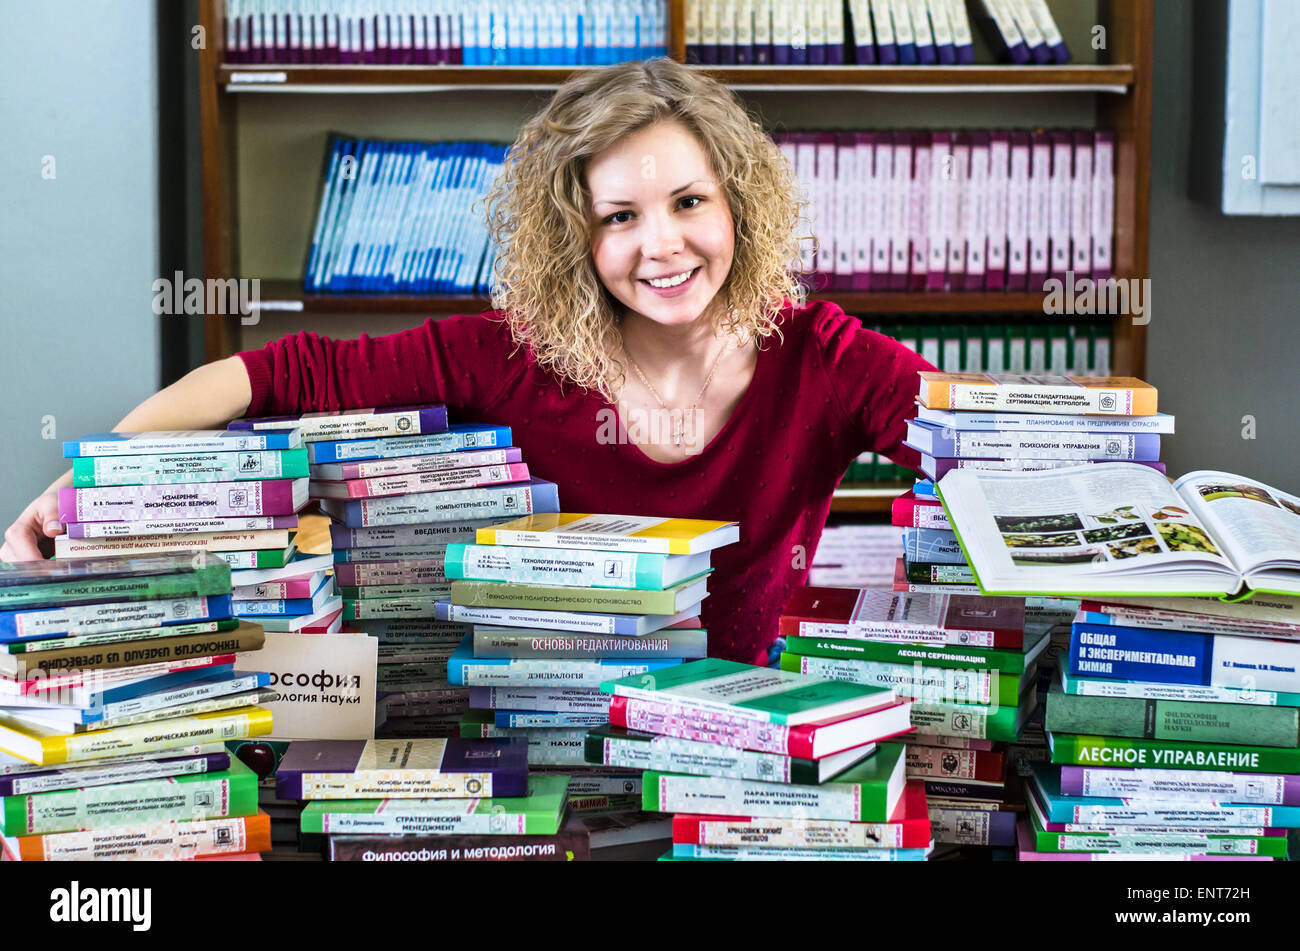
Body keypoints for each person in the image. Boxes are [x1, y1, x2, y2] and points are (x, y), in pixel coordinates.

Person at [2, 58, 936, 667]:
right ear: (576, 235)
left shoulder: (825, 357)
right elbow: (279, 373)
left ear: (739, 204)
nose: (664, 246)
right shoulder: (508, 354)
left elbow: (978, 444)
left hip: (737, 765)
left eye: (690, 201)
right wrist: (89, 485)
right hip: (546, 754)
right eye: (621, 216)